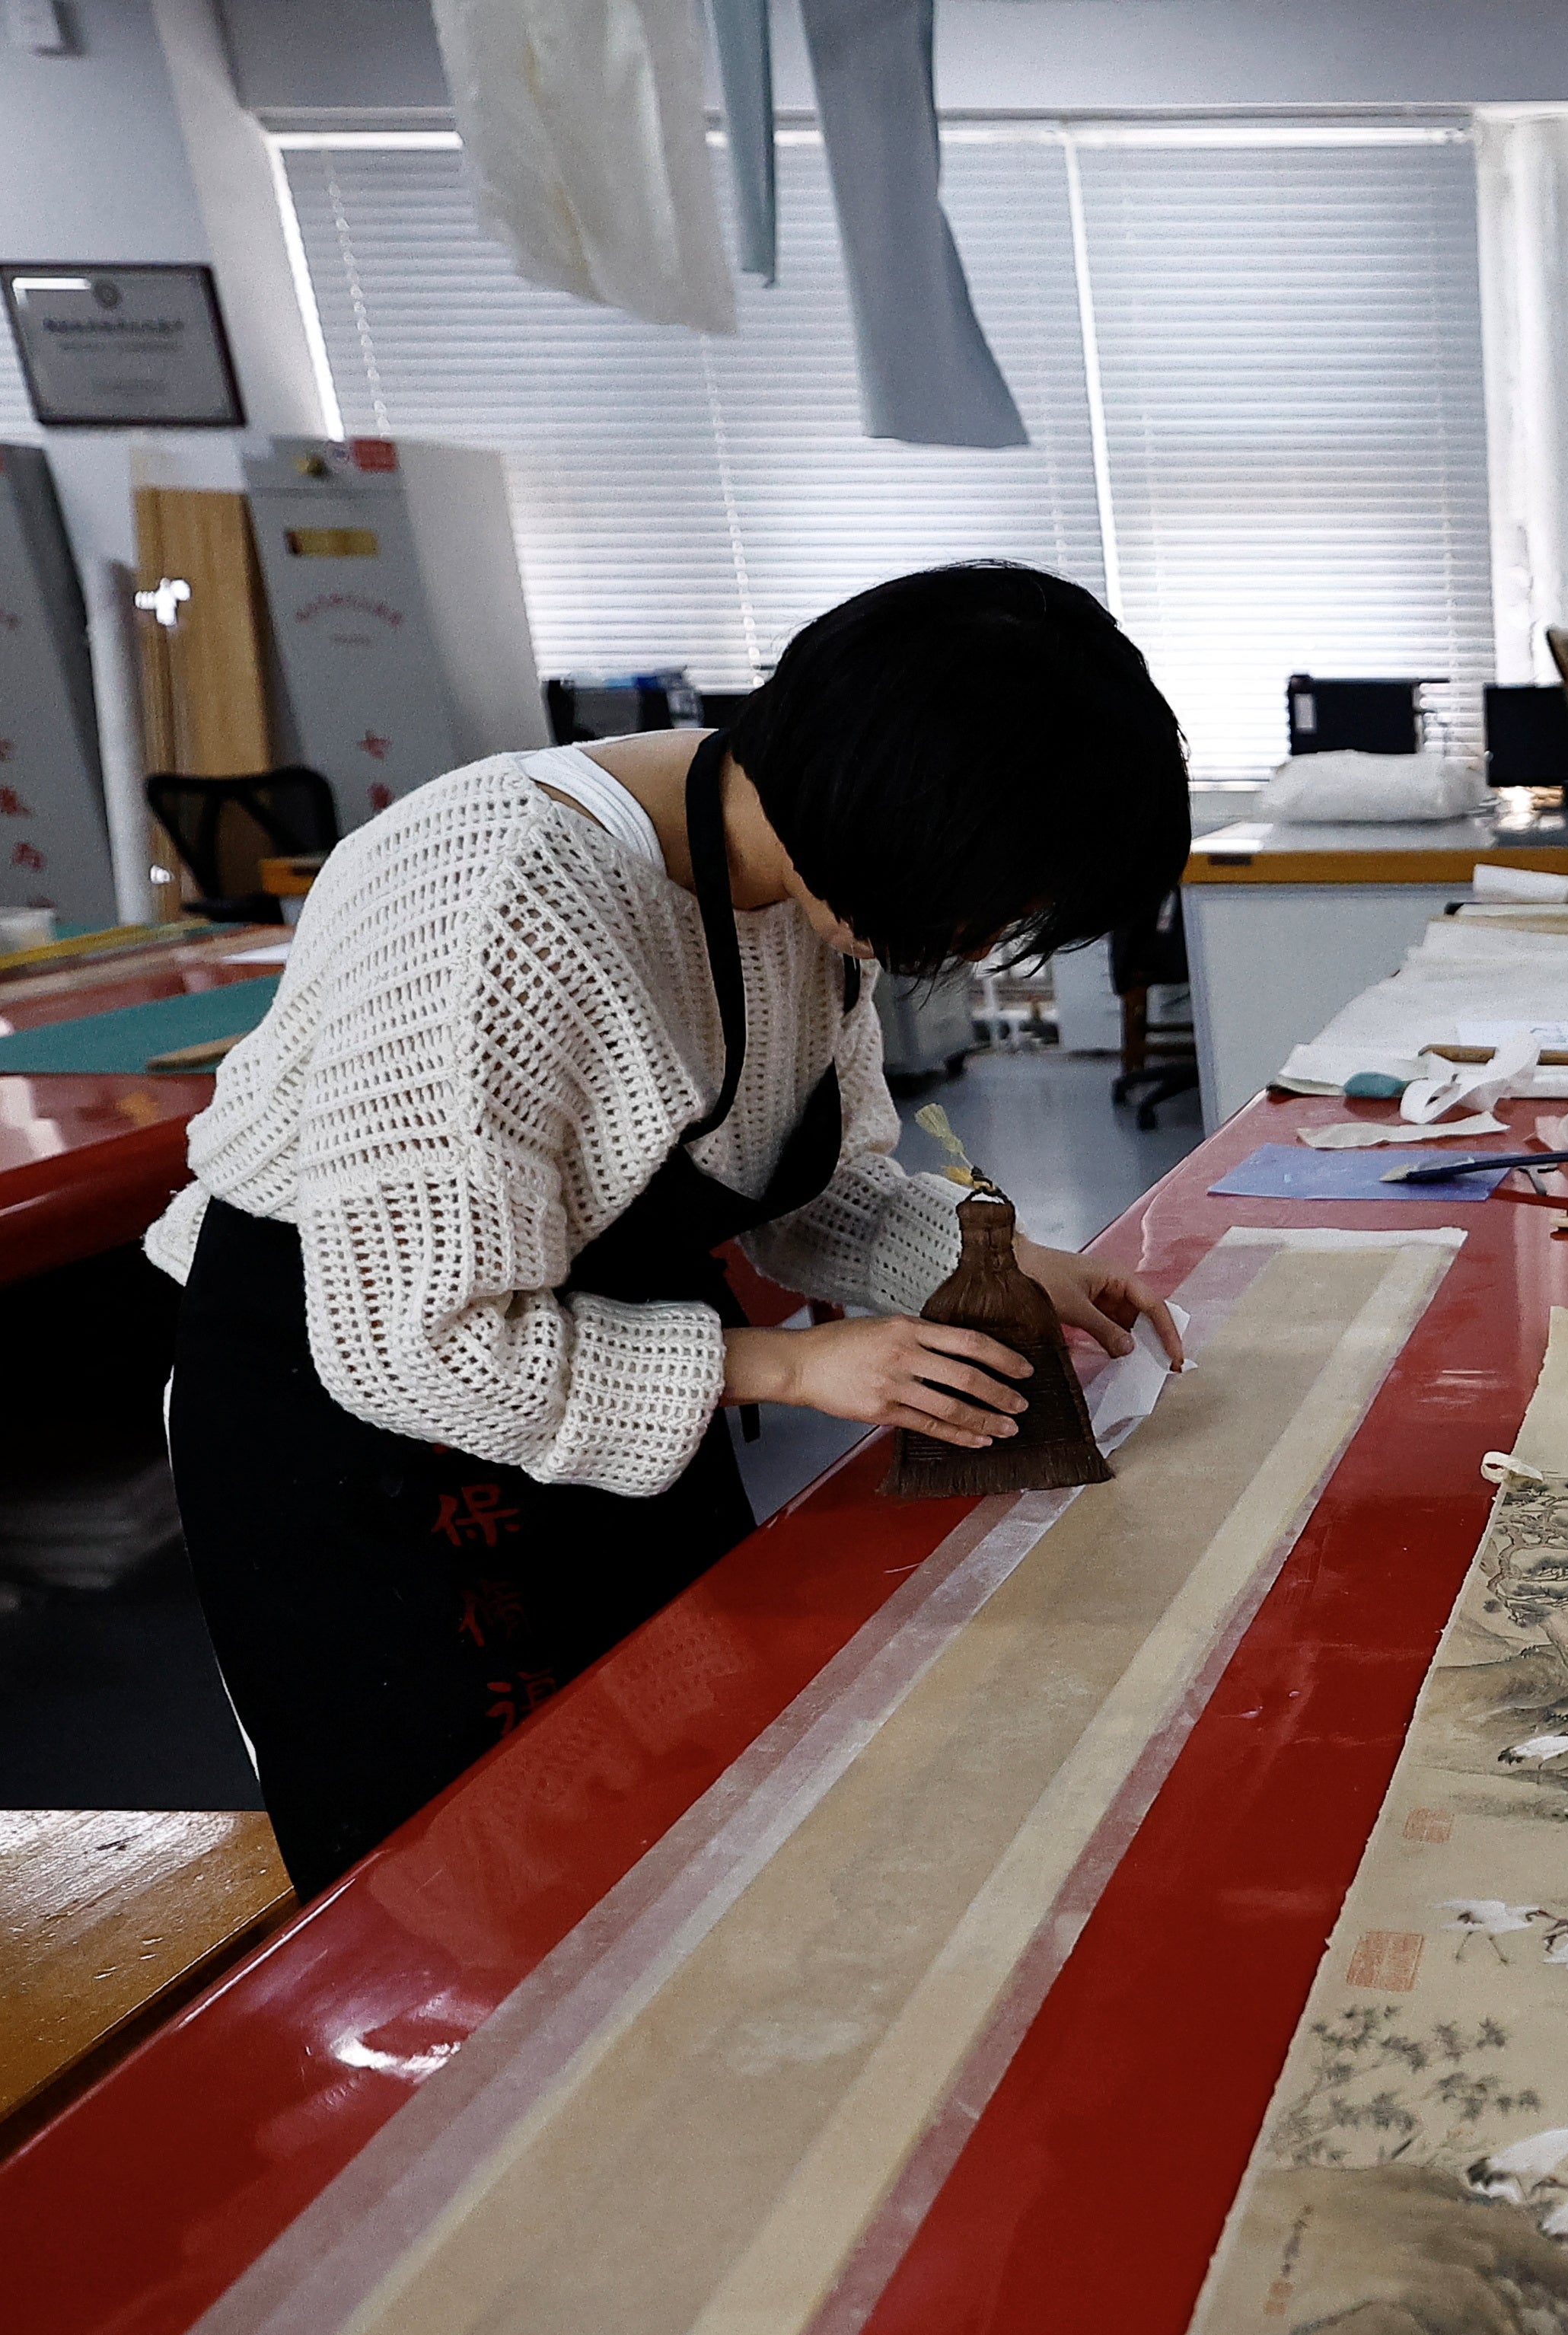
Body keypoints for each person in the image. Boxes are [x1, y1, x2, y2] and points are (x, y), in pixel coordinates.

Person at [148, 560, 1192, 1892]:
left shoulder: (803, 884)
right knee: (471, 1887)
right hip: (375, 1444)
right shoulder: (498, 897)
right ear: (876, 807)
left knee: (695, 1809)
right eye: (982, 905)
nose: (982, 944)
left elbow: (811, 1186)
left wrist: (991, 1264)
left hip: (613, 1384)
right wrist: (789, 1367)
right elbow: (416, 1343)